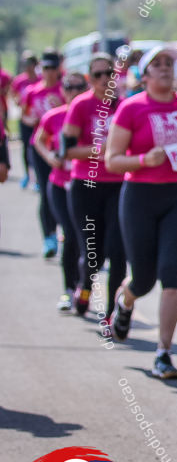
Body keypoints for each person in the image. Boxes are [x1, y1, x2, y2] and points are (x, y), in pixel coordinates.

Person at [105, 45, 177, 380]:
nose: (165, 68)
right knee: (144, 278)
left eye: (170, 63)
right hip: (139, 196)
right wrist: (141, 161)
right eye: (158, 64)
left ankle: (163, 352)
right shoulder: (131, 108)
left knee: (171, 276)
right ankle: (125, 304)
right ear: (146, 74)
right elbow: (112, 159)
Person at [62, 54, 128, 327]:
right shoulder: (81, 105)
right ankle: (84, 288)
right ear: (90, 78)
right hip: (85, 187)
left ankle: (112, 314)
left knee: (118, 250)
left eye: (109, 74)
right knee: (93, 251)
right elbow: (67, 150)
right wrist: (99, 151)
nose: (105, 79)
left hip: (118, 186)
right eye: (99, 75)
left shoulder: (124, 106)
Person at [33, 74, 87, 310]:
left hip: (85, 184)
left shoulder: (93, 115)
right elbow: (38, 140)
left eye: (79, 87)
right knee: (71, 233)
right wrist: (50, 158)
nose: (74, 91)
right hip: (59, 184)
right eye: (69, 87)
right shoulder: (54, 116)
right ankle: (69, 290)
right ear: (63, 90)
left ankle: (83, 286)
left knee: (87, 239)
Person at [23, 51, 65, 257]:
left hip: (62, 148)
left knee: (64, 192)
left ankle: (67, 232)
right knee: (46, 193)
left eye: (52, 68)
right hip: (40, 147)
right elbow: (25, 115)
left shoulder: (65, 90)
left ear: (58, 70)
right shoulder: (33, 91)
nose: (49, 72)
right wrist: (35, 120)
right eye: (45, 68)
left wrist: (61, 106)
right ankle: (49, 236)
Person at [12, 52, 40, 190]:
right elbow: (14, 96)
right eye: (25, 64)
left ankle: (38, 177)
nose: (27, 67)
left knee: (37, 147)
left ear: (35, 65)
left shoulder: (40, 79)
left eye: (29, 64)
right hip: (25, 119)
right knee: (26, 147)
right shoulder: (19, 81)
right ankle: (27, 175)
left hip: (39, 121)